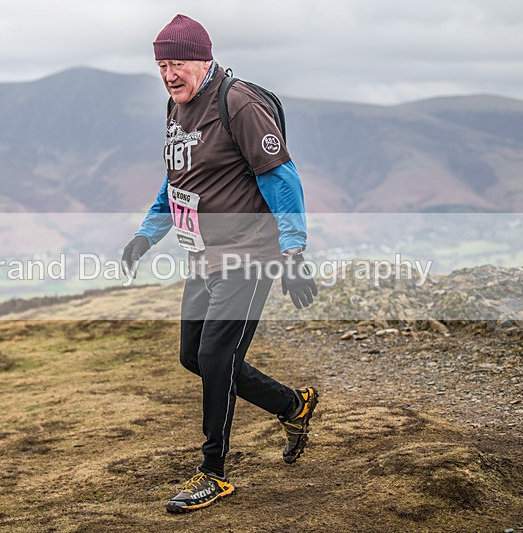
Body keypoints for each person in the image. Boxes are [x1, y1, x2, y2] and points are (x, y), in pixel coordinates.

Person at [121, 14, 319, 513]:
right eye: (162, 66)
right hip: (203, 257)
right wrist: (146, 235)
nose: (169, 75)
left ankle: (213, 472)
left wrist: (293, 252)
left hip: (249, 255)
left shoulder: (238, 103)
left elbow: (282, 178)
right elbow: (178, 181)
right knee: (195, 357)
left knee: (215, 359)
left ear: (203, 59)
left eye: (178, 64)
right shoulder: (176, 107)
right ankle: (293, 405)